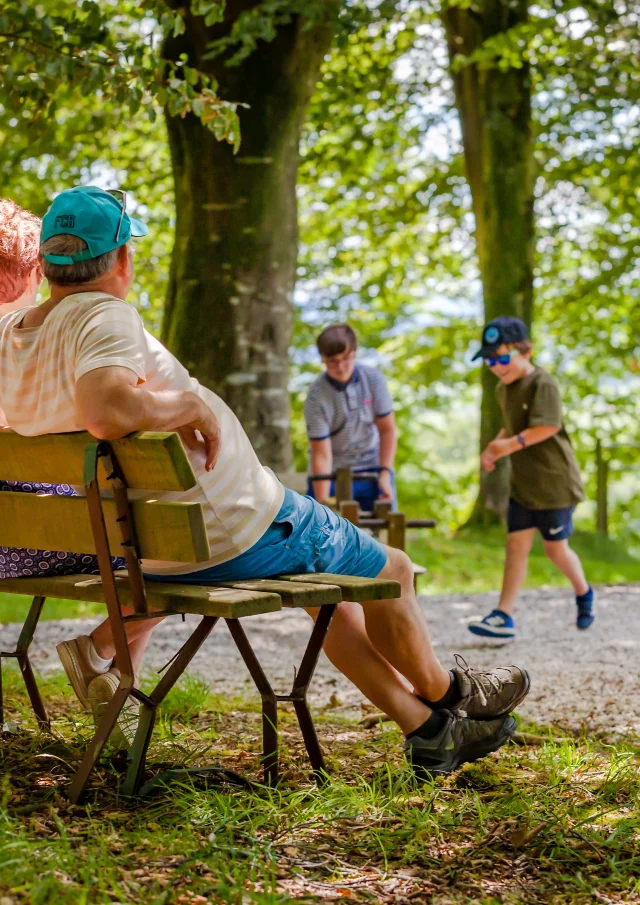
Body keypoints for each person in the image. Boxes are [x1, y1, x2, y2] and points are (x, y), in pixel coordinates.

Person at [0, 186, 531, 776]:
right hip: (237, 527)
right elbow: (107, 410)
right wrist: (193, 408)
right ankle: (453, 691)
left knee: (329, 601)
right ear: (122, 259)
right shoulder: (103, 314)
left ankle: (429, 730)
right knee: (395, 568)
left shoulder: (13, 333)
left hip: (144, 540)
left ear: (45, 265)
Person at [0, 197, 125, 582]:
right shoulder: (21, 339)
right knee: (157, 546)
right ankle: (103, 646)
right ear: (32, 271)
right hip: (30, 542)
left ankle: (105, 646)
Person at [468, 316, 594, 641]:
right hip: (522, 486)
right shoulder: (502, 389)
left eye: (503, 358)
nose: (496, 366)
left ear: (526, 350)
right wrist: (493, 450)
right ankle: (504, 615)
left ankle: (583, 591)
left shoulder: (543, 383)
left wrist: (506, 445)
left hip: (554, 483)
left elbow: (547, 426)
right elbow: (510, 427)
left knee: (555, 550)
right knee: (515, 545)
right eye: (490, 360)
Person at [304, 324, 397, 513]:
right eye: (332, 361)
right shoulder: (316, 396)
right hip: (332, 474)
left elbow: (387, 429)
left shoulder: (373, 380)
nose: (340, 367)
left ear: (354, 352)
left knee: (386, 525)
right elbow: (321, 452)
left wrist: (385, 473)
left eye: (345, 358)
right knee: (316, 530)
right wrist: (322, 502)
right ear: (322, 358)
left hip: (372, 469)